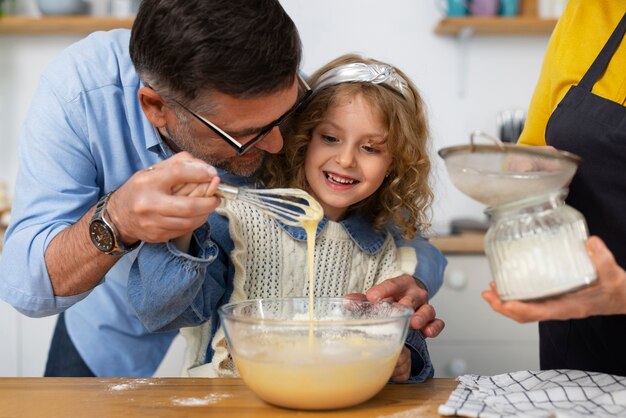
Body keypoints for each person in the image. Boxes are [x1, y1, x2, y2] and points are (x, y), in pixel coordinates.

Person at [0, 0, 445, 377]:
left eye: (284, 120)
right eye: (249, 134)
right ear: (155, 107)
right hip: (110, 324)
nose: (278, 144)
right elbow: (25, 284)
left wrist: (410, 281)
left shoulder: (280, 93)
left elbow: (397, 229)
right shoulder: (80, 92)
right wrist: (118, 220)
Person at [129, 54, 436, 383]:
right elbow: (162, 310)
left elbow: (405, 340)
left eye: (371, 148)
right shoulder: (234, 224)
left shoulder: (385, 254)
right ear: (303, 138)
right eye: (330, 138)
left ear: (394, 165)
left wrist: (406, 359)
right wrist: (182, 230)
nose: (346, 160)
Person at [482, 0, 626, 376]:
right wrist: (525, 174)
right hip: (580, 346)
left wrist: (619, 295)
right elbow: (536, 148)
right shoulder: (587, 9)